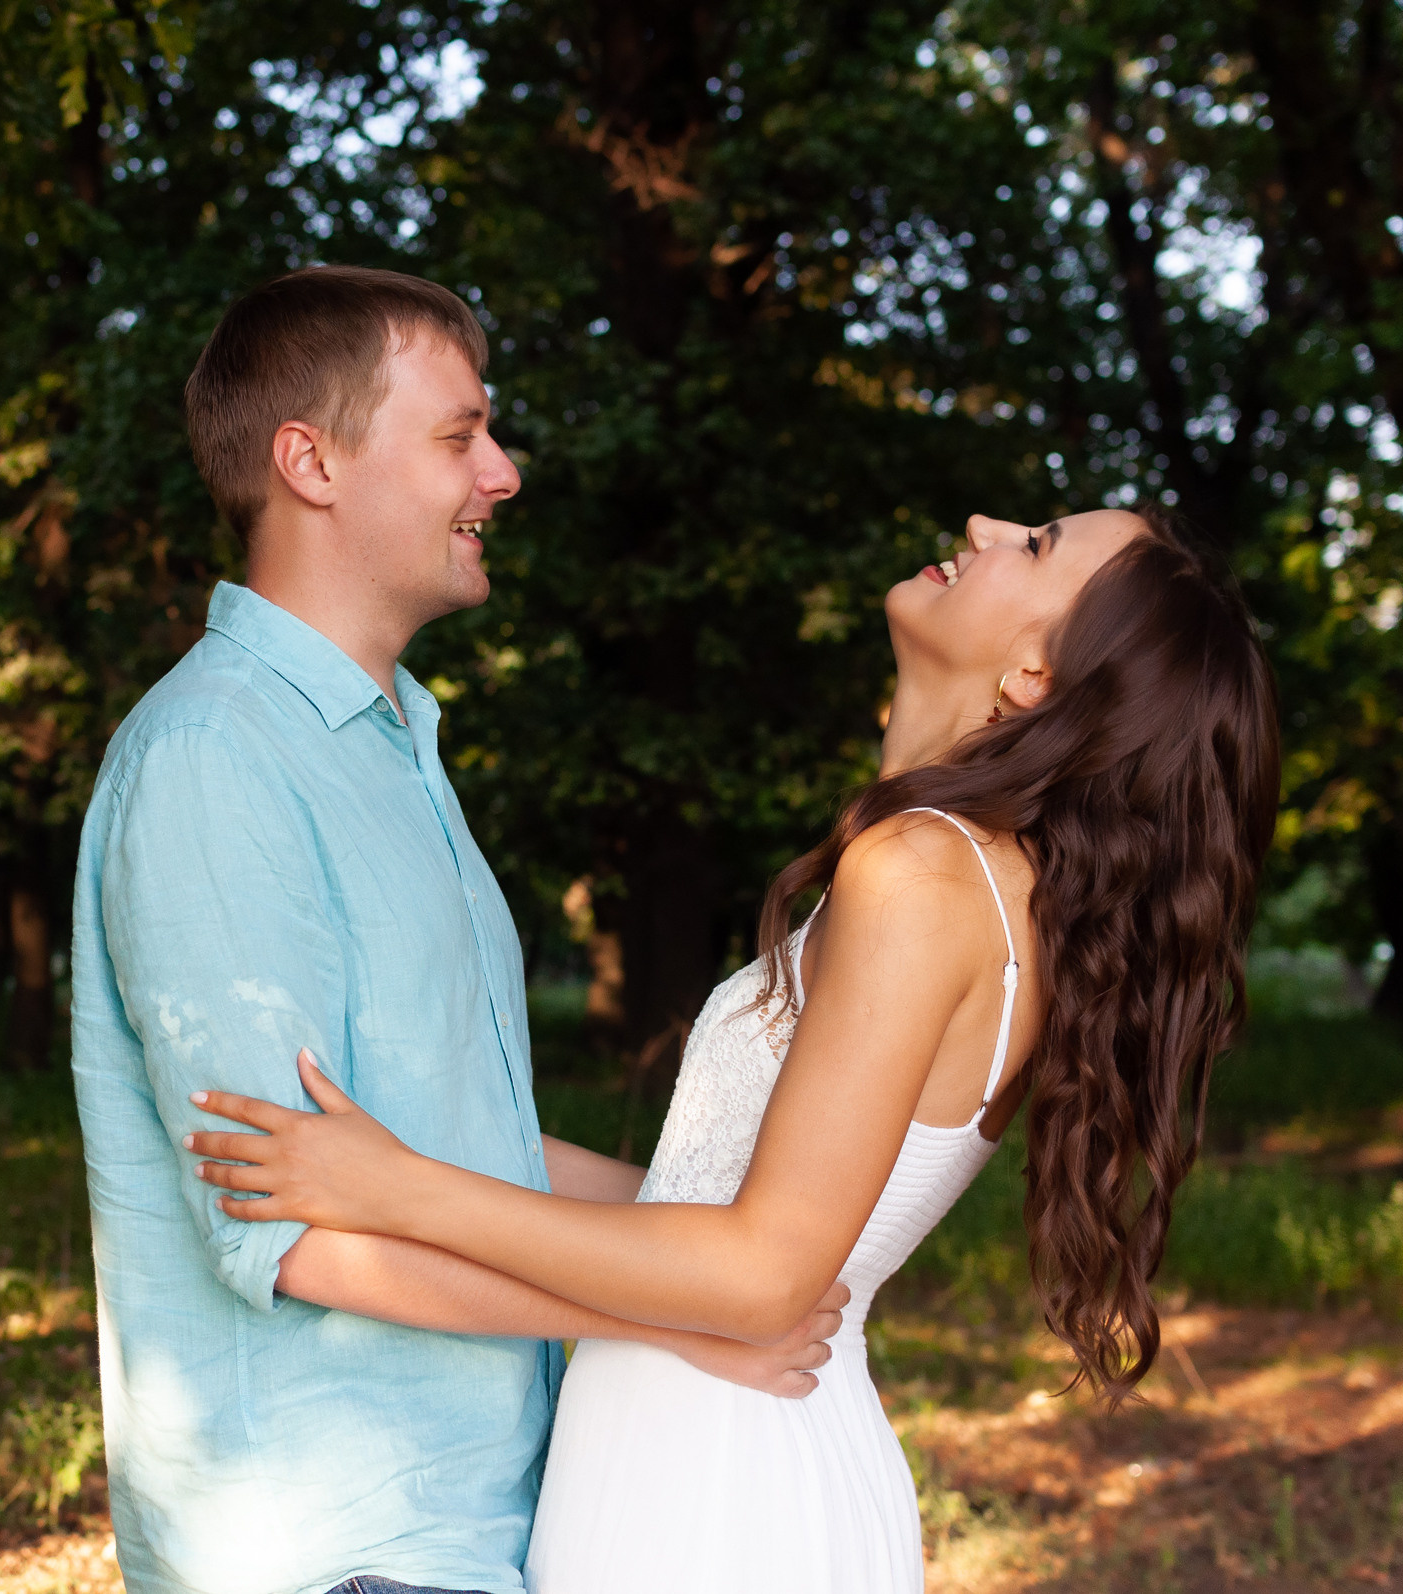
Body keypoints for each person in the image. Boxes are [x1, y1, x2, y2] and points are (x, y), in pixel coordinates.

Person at [184, 506, 1281, 1592]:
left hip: (718, 1492)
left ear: (1038, 676)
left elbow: (761, 1275)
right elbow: (696, 1202)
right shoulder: (983, 885)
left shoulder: (926, 873)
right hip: (717, 1454)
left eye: (1037, 545)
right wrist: (403, 1149)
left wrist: (404, 1189)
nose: (988, 523)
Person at [69, 265, 847, 1594]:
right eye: (459, 435)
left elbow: (444, 1140)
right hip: (337, 1549)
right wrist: (677, 1315)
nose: (503, 473)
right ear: (311, 462)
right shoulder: (215, 760)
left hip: (474, 1527)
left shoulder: (392, 749)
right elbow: (289, 1226)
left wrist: (736, 1234)